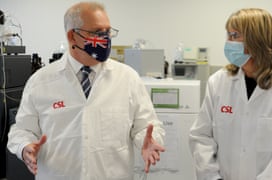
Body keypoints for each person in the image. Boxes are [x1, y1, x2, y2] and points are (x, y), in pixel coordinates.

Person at [7, 2, 165, 180]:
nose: (105, 38)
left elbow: (146, 126)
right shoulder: (40, 82)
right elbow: (21, 130)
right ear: (72, 37)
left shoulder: (128, 78)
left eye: (108, 31)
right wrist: (24, 146)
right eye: (97, 33)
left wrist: (147, 140)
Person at [189, 8, 272, 180]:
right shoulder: (218, 82)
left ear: (256, 39)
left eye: (235, 36)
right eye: (228, 36)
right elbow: (201, 136)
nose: (229, 42)